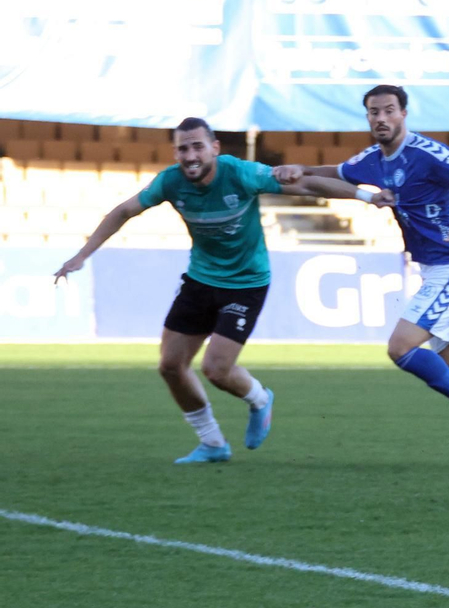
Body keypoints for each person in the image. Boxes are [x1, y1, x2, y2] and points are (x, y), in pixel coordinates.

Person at [53, 117, 384, 463]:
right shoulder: (170, 182)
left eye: (197, 146)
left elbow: (309, 186)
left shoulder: (241, 174)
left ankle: (259, 399)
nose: (190, 155)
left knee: (216, 369)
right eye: (183, 148)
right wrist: (81, 256)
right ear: (175, 153)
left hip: (245, 284)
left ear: (215, 148)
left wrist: (366, 196)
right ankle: (212, 442)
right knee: (170, 366)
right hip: (200, 280)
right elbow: (123, 211)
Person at [279, 85, 449, 469]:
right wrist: (300, 170)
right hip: (435, 268)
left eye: (388, 110)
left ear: (403, 113)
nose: (380, 118)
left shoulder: (426, 154)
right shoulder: (372, 160)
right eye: (373, 112)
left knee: (401, 347)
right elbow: (336, 175)